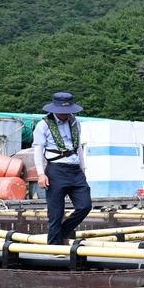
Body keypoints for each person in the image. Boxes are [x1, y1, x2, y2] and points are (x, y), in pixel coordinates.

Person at [35, 91, 93, 245]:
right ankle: (53, 248)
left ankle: (63, 232)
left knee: (85, 205)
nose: (64, 114)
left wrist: (83, 168)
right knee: (55, 213)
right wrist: (41, 174)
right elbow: (38, 150)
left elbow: (78, 147)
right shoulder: (43, 124)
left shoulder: (75, 122)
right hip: (55, 170)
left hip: (75, 170)